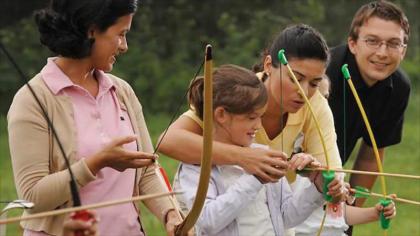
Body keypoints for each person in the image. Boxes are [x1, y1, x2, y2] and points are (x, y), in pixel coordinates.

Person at [7, 0, 182, 235]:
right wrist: (98, 161)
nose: (124, 46)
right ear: (91, 31)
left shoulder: (121, 91)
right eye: (120, 34)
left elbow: (147, 170)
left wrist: (170, 213)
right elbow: (32, 197)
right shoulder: (32, 100)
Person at [159, 24, 346, 235]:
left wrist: (319, 182)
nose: (304, 92)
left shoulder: (315, 106)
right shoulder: (237, 93)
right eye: (295, 78)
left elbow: (288, 214)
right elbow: (168, 141)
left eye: (314, 83)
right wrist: (248, 161)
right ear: (268, 65)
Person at [326, 0, 411, 208]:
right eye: (372, 41)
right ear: (353, 44)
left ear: (403, 50)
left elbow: (370, 158)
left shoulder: (398, 87)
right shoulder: (322, 72)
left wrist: (349, 213)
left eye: (393, 43)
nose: (382, 53)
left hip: (333, 183)